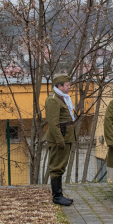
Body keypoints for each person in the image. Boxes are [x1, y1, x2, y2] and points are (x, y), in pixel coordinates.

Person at [44, 75, 77, 206]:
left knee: (61, 166)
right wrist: (59, 140)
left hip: (66, 136)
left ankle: (59, 194)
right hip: (60, 138)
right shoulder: (53, 100)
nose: (69, 87)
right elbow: (53, 123)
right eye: (67, 85)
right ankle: (57, 196)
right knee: (56, 167)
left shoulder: (62, 99)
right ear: (60, 86)